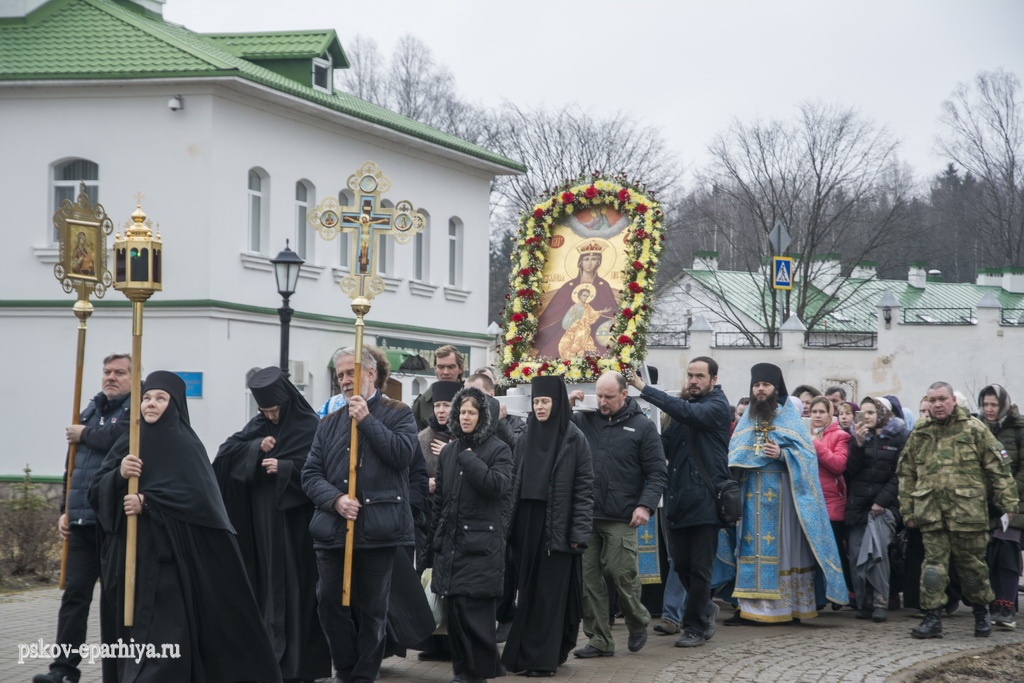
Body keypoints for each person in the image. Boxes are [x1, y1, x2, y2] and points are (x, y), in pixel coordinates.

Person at [89, 371, 281, 682]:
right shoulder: (129, 441)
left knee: (164, 640)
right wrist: (118, 475)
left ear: (175, 404)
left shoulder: (185, 445)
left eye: (160, 398)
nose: (151, 404)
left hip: (167, 562)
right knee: (128, 634)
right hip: (127, 560)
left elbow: (198, 502)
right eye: (146, 398)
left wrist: (148, 503)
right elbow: (96, 491)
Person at [301, 347, 418, 683]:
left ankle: (365, 674)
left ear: (370, 373)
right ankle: (346, 667)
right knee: (329, 602)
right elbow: (310, 474)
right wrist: (336, 499)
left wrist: (367, 420)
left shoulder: (399, 413)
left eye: (350, 372)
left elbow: (402, 455)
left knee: (373, 609)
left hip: (378, 527)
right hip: (333, 528)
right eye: (340, 375)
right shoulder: (328, 423)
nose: (344, 380)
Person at [213, 366, 330, 682]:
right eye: (265, 411)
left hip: (297, 524)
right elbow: (225, 457)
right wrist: (255, 449)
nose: (271, 416)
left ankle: (302, 665)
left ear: (287, 402)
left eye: (276, 410)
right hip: (263, 524)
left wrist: (286, 468)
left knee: (300, 590)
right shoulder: (258, 426)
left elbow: (321, 470)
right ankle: (270, 659)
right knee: (268, 588)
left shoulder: (310, 426)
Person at [34, 354, 131, 683]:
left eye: (120, 372)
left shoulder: (135, 412)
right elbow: (72, 465)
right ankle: (63, 669)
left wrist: (84, 433)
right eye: (107, 371)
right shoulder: (90, 410)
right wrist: (66, 509)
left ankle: (120, 671)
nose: (111, 377)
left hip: (115, 525)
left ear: (134, 378)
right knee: (74, 595)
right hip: (81, 524)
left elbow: (121, 441)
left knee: (115, 602)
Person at [726, 363, 847, 623]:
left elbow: (807, 456)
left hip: (783, 498)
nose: (760, 389)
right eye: (756, 385)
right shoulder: (748, 418)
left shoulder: (788, 416)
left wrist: (783, 454)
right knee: (750, 549)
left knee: (784, 549)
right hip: (751, 496)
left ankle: (788, 607)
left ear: (776, 388)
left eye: (766, 385)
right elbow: (735, 452)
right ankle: (750, 607)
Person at [898, 381, 1019, 640]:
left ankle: (981, 613)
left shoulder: (974, 429)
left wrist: (1009, 504)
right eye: (932, 400)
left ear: (953, 400)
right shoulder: (920, 432)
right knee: (933, 568)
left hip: (967, 513)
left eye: (942, 399)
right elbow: (906, 472)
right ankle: (932, 619)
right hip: (931, 512)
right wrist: (907, 510)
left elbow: (999, 468)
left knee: (972, 568)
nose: (937, 405)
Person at [628, 357, 732, 647]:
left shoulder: (717, 406)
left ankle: (695, 628)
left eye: (700, 376)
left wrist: (644, 389)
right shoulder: (686, 409)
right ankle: (705, 607)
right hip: (678, 499)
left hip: (706, 500)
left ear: (713, 379)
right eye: (690, 375)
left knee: (699, 569)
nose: (693, 381)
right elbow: (666, 443)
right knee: (681, 565)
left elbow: (687, 413)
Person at [569, 371, 666, 658]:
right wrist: (566, 405)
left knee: (621, 573)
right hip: (587, 514)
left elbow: (657, 473)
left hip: (622, 515)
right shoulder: (583, 419)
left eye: (609, 397)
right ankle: (599, 640)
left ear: (624, 394)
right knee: (589, 582)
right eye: (599, 395)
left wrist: (645, 505)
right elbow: (552, 431)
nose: (602, 402)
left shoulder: (642, 426)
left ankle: (637, 620)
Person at [502, 376, 594, 677]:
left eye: (545, 401)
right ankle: (522, 654)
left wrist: (578, 533)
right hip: (526, 523)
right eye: (536, 402)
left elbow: (584, 490)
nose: (540, 407)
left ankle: (543, 659)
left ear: (558, 403)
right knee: (527, 591)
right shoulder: (525, 436)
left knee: (549, 594)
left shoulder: (574, 438)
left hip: (558, 525)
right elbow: (514, 481)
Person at [428, 386, 513, 683]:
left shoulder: (499, 449)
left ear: (483, 416)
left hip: (481, 547)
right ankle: (463, 672)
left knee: (474, 613)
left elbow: (497, 486)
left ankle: (478, 673)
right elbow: (440, 501)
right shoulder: (448, 452)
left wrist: (469, 459)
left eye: (472, 412)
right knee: (455, 613)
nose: (465, 417)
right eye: (462, 411)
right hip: (451, 545)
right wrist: (434, 542)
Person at [845, 396, 906, 623]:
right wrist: (858, 445)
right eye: (863, 412)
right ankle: (865, 602)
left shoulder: (899, 437)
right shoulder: (858, 436)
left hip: (884, 507)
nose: (867, 417)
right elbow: (850, 471)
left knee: (876, 551)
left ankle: (881, 601)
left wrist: (881, 501)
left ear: (882, 413)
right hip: (859, 505)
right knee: (856, 553)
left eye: (871, 412)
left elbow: (900, 474)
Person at [976, 384, 1024, 628]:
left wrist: (1007, 493)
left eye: (994, 404)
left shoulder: (1019, 429)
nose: (989, 409)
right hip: (984, 503)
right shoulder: (977, 428)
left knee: (1007, 545)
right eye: (985, 404)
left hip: (1015, 503)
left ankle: (1006, 606)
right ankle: (997, 602)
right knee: (988, 551)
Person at [534, 242, 619, 359]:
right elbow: (555, 310)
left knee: (602, 356)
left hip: (593, 330)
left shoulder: (603, 285)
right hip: (569, 330)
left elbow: (612, 310)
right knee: (547, 355)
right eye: (586, 259)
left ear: (598, 262)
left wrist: (603, 314)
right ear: (580, 262)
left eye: (594, 259)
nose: (589, 263)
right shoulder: (569, 285)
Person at [808, 395, 852, 610]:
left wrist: (815, 444)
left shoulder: (841, 435)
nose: (817, 416)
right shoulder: (804, 433)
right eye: (814, 412)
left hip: (831, 502)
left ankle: (839, 593)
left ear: (830, 414)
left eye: (821, 412)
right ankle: (818, 596)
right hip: (810, 500)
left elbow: (838, 464)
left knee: (833, 553)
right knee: (812, 554)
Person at [411, 345, 465, 431]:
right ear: (435, 369)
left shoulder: (471, 398)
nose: (445, 372)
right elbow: (414, 434)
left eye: (451, 367)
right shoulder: (423, 402)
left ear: (461, 369)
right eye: (441, 367)